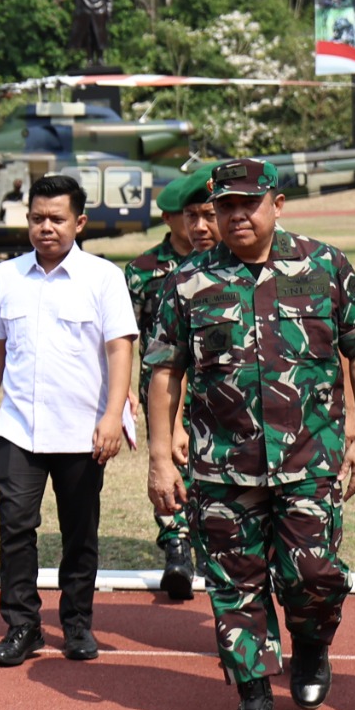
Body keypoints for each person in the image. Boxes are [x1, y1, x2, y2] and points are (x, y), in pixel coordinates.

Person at [146, 159, 355, 710]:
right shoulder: (187, 280)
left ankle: (310, 643)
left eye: (248, 204)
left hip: (311, 459)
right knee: (235, 584)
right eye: (225, 206)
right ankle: (253, 698)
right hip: (221, 466)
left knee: (313, 576)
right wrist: (158, 454)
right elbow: (164, 372)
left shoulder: (324, 265)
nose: (236, 215)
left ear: (277, 204)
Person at [0, 174, 139, 665]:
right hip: (19, 427)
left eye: (57, 219)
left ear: (80, 222)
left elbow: (119, 348)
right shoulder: (6, 276)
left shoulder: (103, 277)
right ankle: (22, 625)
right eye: (37, 218)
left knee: (79, 533)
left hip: (82, 429)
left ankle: (76, 624)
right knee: (15, 526)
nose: (46, 228)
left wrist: (113, 416)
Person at [124, 169, 218, 601]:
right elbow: (125, 335)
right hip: (165, 381)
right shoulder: (143, 271)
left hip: (217, 384)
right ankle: (177, 544)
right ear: (171, 219)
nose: (197, 225)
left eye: (207, 214)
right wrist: (125, 388)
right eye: (188, 215)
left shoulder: (229, 262)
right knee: (170, 463)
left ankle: (210, 541)